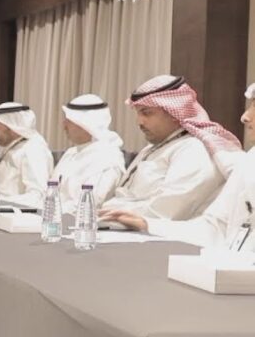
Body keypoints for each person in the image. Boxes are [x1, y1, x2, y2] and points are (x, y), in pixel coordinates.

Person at [102, 84, 255, 248]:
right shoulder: (250, 161)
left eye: (147, 113)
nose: (245, 117)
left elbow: (166, 210)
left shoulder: (194, 149)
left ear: (173, 113)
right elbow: (215, 227)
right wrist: (147, 224)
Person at [51, 94, 126, 213]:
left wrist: (50, 210)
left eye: (69, 121)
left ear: (85, 124)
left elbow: (89, 205)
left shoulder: (109, 159)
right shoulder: (71, 153)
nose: (64, 125)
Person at [0, 102, 54, 208]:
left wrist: (0, 203)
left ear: (13, 125)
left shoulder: (34, 148)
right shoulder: (3, 147)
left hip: (15, 213)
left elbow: (37, 196)